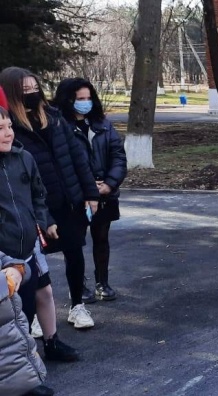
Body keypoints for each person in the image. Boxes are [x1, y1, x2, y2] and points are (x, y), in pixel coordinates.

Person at [0, 67, 100, 332]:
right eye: (26, 90)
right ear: (12, 93)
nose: (33, 93)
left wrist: (90, 193)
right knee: (34, 266)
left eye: (36, 87)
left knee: (75, 254)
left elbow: (78, 157)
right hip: (37, 207)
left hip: (69, 200)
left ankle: (77, 305)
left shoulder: (54, 118)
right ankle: (33, 315)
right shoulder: (10, 127)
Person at [52, 78, 127, 302]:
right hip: (76, 197)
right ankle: (78, 286)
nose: (85, 103)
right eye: (79, 99)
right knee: (74, 242)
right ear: (68, 100)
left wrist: (108, 184)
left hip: (105, 194)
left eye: (88, 98)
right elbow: (61, 162)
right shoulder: (59, 126)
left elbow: (118, 156)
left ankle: (102, 283)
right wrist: (84, 189)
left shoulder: (102, 124)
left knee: (101, 238)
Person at [0, 100, 55, 396]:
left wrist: (44, 222)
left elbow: (38, 195)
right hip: (1, 260)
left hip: (26, 252)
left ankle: (25, 380)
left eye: (9, 126)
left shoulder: (24, 158)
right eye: (0, 129)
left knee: (23, 318)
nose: (8, 133)